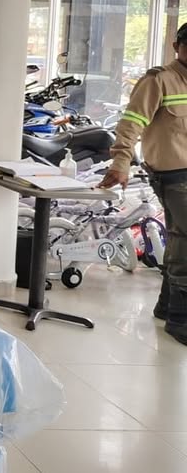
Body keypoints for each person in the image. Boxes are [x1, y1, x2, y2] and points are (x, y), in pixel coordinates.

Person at [100, 22, 187, 344]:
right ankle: (180, 320)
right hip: (173, 175)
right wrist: (121, 162)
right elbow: (131, 124)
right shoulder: (159, 80)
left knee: (180, 237)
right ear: (177, 46)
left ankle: (167, 307)